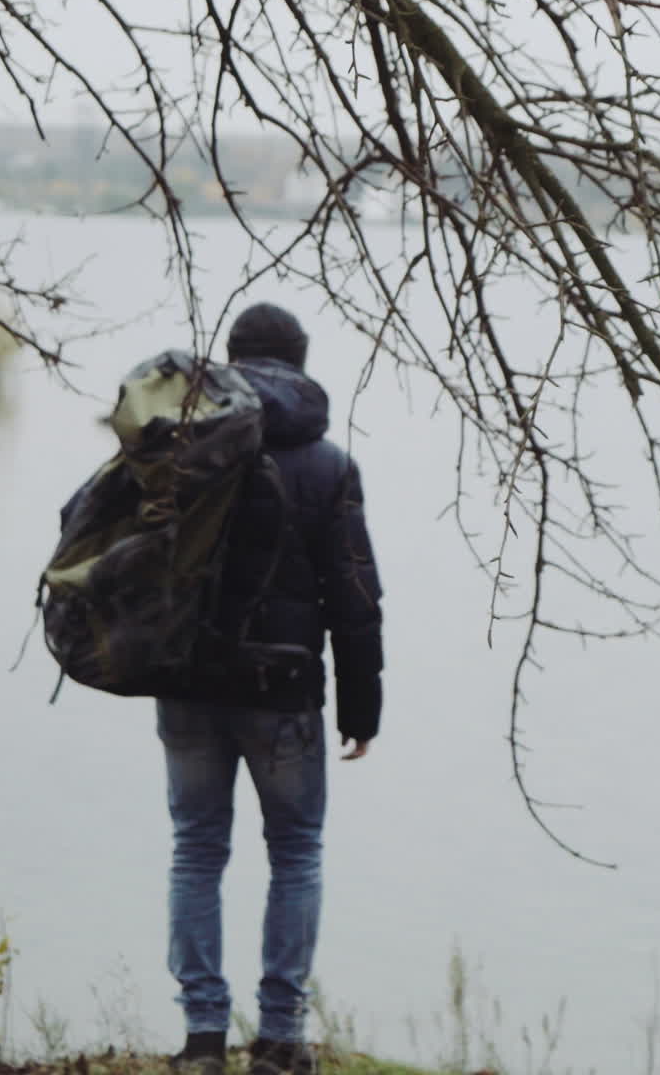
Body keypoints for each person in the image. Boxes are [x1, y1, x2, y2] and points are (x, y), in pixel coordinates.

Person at [157, 303, 384, 1075]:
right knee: (296, 851)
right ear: (303, 362)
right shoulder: (328, 464)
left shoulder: (184, 448)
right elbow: (354, 601)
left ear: (232, 360)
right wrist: (363, 710)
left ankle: (201, 1041)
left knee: (195, 849)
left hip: (186, 682)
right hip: (283, 688)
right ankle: (281, 1042)